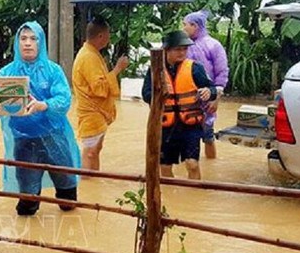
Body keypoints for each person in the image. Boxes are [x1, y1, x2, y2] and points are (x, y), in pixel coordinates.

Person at [0, 21, 80, 216]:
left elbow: (64, 100)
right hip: (24, 141)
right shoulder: (7, 73)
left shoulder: (53, 70)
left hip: (55, 138)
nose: (28, 43)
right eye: (23, 38)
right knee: (27, 207)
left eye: (33, 39)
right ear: (17, 43)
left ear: (40, 43)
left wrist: (43, 105)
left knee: (67, 201)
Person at [141, 30, 217, 180]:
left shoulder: (195, 68)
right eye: (178, 49)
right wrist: (159, 93)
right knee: (165, 167)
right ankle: (171, 199)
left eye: (185, 49)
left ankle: (194, 198)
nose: (182, 52)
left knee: (192, 164)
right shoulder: (156, 69)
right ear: (167, 50)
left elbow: (212, 89)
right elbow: (146, 94)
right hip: (166, 126)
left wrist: (209, 92)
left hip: (190, 125)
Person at [72, 16, 128, 170]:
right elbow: (99, 88)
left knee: (95, 150)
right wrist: (117, 69)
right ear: (101, 36)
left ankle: (93, 182)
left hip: (97, 113)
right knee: (90, 152)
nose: (110, 38)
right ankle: (88, 184)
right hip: (91, 112)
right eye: (108, 34)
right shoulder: (88, 57)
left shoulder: (92, 53)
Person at [182, 10, 229, 159]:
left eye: (185, 25)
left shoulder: (213, 45)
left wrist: (216, 99)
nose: (183, 28)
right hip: (186, 99)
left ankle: (210, 165)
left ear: (194, 26)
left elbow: (222, 73)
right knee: (185, 137)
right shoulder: (184, 46)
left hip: (207, 98)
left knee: (208, 136)